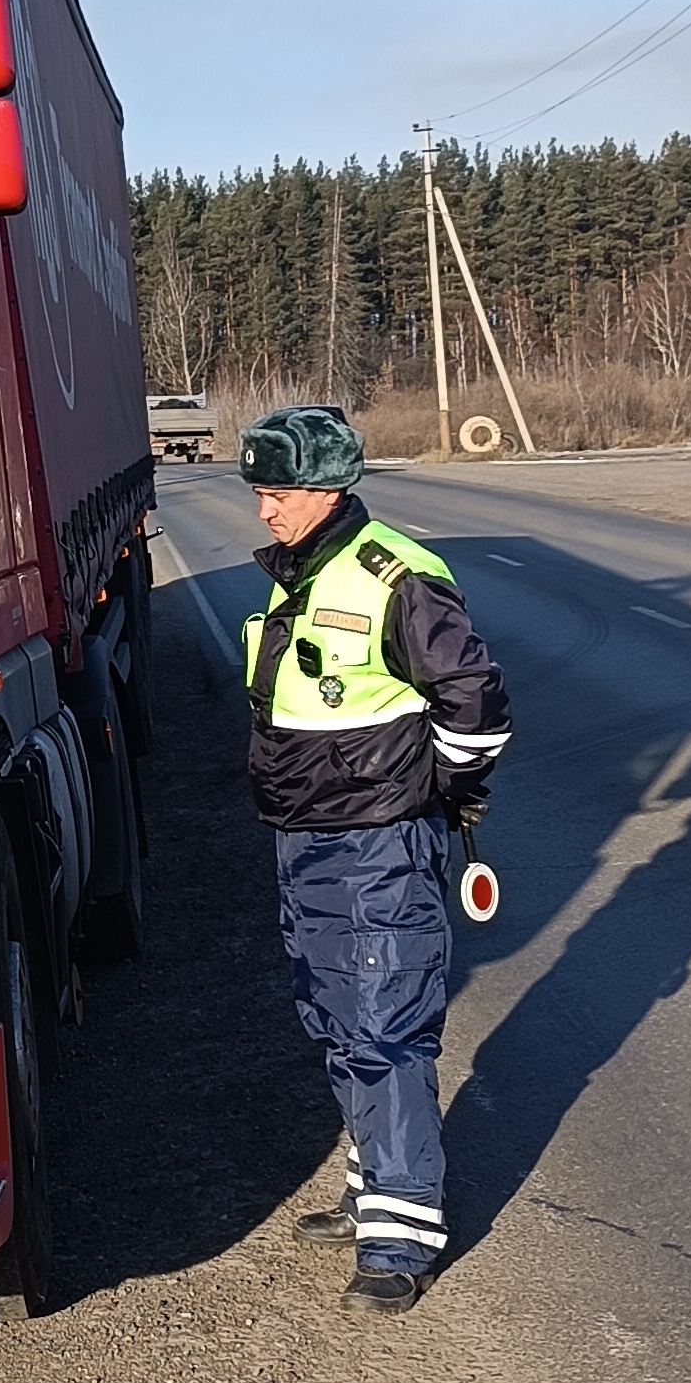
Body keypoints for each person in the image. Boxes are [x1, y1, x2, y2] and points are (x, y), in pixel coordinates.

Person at [238, 403, 510, 1316]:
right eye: (261, 495)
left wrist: (445, 790)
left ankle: (402, 1237)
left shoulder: (396, 575)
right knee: (335, 1013)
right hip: (308, 834)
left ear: (323, 490)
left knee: (387, 1021)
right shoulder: (302, 573)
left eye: (276, 494)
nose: (264, 512)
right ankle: (372, 1189)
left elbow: (474, 701)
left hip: (378, 840)